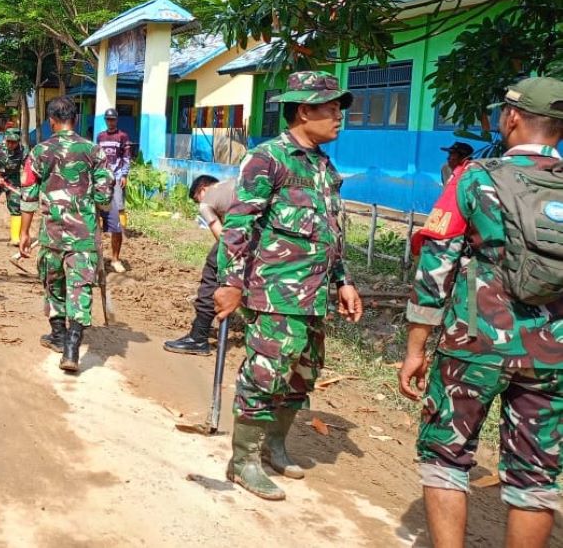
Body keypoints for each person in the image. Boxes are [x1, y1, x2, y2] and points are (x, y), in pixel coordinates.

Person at [399, 76, 563, 548]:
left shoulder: (474, 177)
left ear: (511, 118)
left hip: (476, 342)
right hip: (552, 353)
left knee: (444, 455)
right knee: (537, 474)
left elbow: (436, 266)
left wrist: (416, 348)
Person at [213, 71, 363, 501]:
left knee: (303, 374)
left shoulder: (321, 165)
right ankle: (243, 460)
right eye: (331, 109)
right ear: (303, 111)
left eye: (339, 110)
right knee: (266, 374)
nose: (339, 118)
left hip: (314, 294)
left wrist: (344, 281)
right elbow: (238, 226)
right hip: (275, 292)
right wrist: (230, 283)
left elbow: (331, 231)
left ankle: (274, 445)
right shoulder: (268, 159)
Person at [18, 96, 113, 373]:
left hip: (51, 234)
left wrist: (24, 233)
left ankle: (58, 335)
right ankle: (71, 348)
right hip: (83, 234)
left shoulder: (39, 151)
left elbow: (28, 195)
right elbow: (105, 198)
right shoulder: (94, 151)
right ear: (75, 119)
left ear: (51, 121)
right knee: (80, 286)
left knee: (54, 283)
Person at [163, 174, 237, 355]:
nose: (199, 205)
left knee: (213, 267)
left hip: (245, 235)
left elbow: (223, 239)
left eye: (197, 200)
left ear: (202, 189)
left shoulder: (208, 199)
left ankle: (198, 337)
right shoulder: (233, 182)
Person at [96, 108, 132, 272]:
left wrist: (124, 175)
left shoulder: (122, 136)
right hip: (101, 180)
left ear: (117, 120)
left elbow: (126, 157)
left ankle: (115, 259)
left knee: (116, 217)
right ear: (105, 120)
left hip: (116, 178)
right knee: (93, 219)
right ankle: (95, 257)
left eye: (113, 119)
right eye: (108, 119)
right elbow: (97, 157)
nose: (110, 122)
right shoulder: (100, 136)